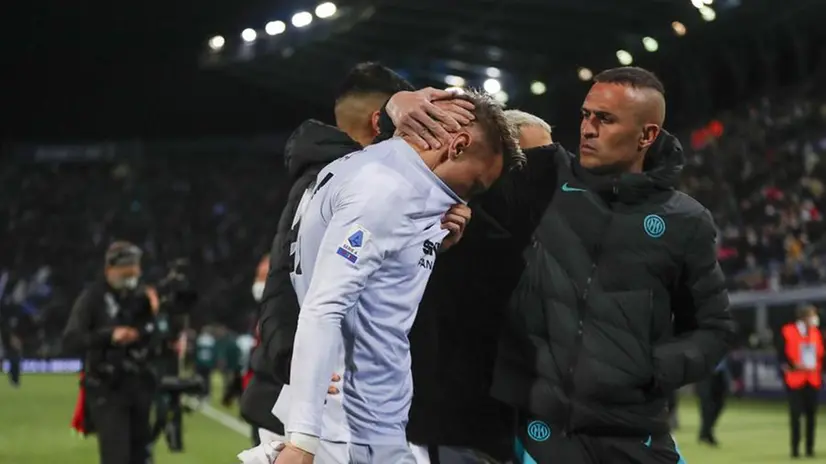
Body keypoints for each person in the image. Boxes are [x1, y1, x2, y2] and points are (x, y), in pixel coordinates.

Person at [387, 66, 736, 464]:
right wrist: (396, 105)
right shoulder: (543, 179)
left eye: (605, 119)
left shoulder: (686, 221)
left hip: (635, 433)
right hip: (534, 435)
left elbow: (713, 328)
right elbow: (450, 153)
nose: (588, 128)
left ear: (647, 135)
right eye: (586, 115)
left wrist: (651, 370)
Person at [275, 89, 523, 464]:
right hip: (356, 427)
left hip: (367, 422)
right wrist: (302, 442)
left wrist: (431, 244)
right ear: (457, 145)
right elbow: (323, 308)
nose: (466, 201)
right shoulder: (386, 190)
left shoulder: (367, 169)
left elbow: (375, 285)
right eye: (473, 186)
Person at [240, 62, 473, 447]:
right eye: (421, 123)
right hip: (317, 403)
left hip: (314, 395)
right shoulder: (354, 181)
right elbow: (288, 282)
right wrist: (295, 363)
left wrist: (433, 244)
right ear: (383, 121)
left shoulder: (336, 179)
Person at [406, 110, 554, 464]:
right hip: (458, 420)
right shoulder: (449, 232)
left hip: (517, 419)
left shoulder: (551, 239)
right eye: (532, 161)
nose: (544, 174)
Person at [63, 241, 156, 464]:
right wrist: (109, 336)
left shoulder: (142, 298)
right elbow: (71, 340)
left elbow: (154, 338)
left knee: (142, 457)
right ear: (109, 270)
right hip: (107, 389)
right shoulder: (92, 298)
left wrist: (156, 320)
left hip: (139, 385)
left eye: (134, 273)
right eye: (125, 273)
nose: (131, 279)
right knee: (117, 456)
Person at [777, 305, 823, 458]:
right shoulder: (787, 331)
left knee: (812, 415)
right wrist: (793, 365)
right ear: (803, 317)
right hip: (795, 380)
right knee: (796, 415)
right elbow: (781, 355)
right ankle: (795, 450)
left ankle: (810, 449)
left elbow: (821, 354)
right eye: (812, 315)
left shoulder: (816, 333)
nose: (815, 318)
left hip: (813, 379)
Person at [696, 358, 729, 446]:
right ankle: (706, 433)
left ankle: (706, 431)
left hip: (720, 372)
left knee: (720, 403)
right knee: (707, 404)